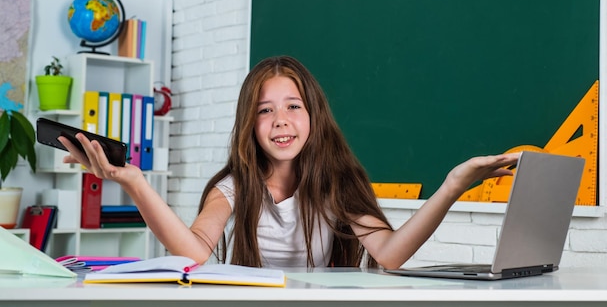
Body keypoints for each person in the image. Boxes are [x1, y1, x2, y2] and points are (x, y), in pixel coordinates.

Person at [60, 55, 519, 270]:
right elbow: (196, 251)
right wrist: (137, 184)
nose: (280, 121)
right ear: (250, 123)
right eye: (265, 110)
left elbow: (391, 255)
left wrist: (453, 185)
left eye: (293, 106)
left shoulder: (338, 183)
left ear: (314, 116)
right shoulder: (233, 188)